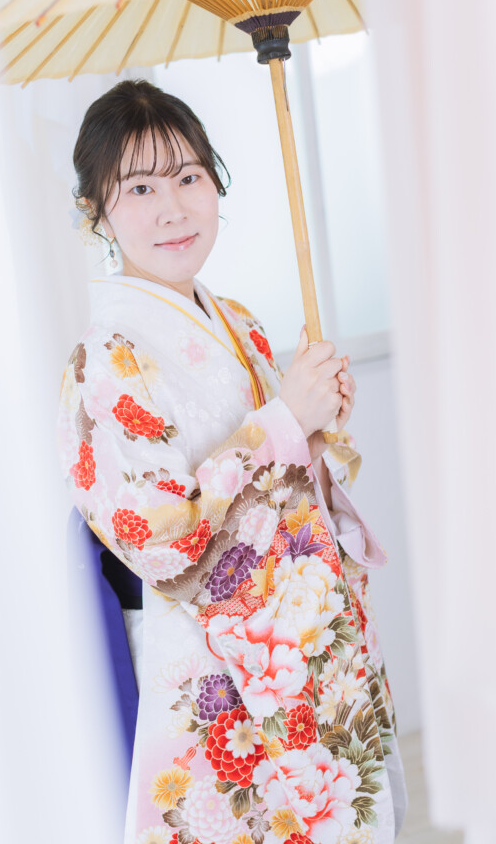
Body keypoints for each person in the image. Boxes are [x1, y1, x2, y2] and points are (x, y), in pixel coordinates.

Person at [56, 79, 407, 844]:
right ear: (96, 212)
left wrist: (315, 429)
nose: (173, 208)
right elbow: (156, 537)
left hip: (299, 637)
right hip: (213, 660)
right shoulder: (105, 358)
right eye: (139, 188)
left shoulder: (238, 320)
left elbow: (292, 474)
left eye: (188, 176)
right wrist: (283, 424)